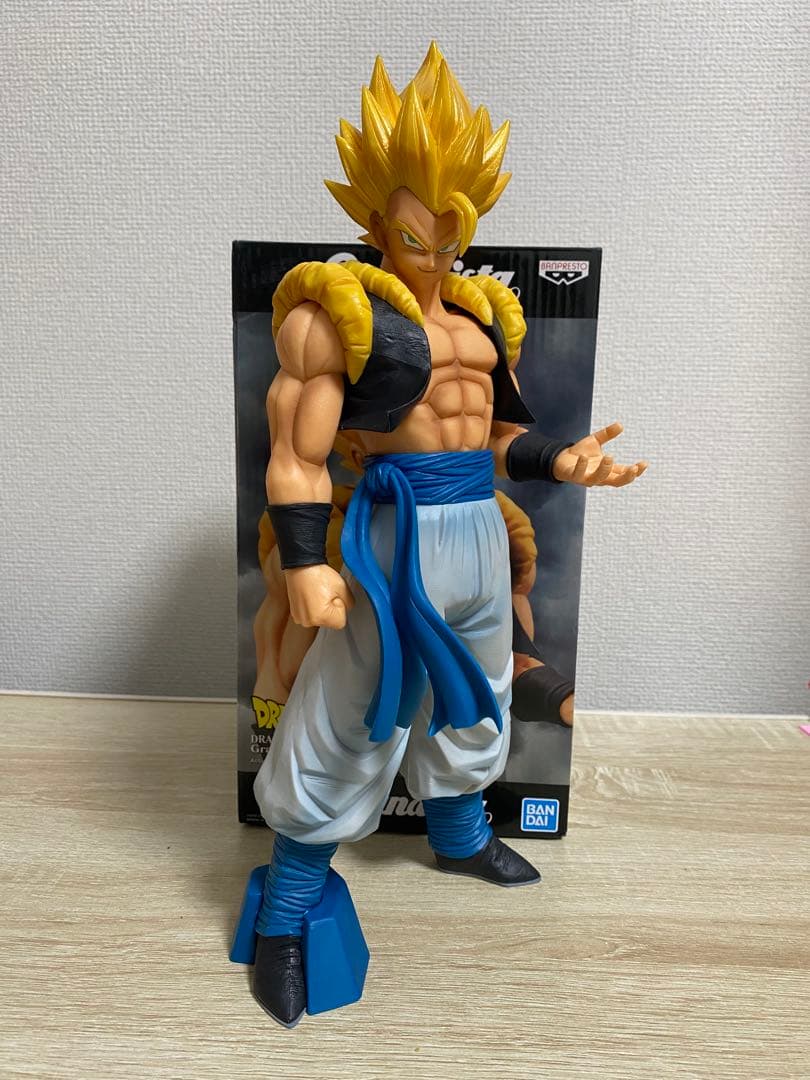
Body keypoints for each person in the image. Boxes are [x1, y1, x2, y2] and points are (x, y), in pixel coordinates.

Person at [250, 43, 646, 1027]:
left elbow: (498, 437)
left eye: (453, 231)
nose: (436, 252)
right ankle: (289, 903)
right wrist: (302, 562)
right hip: (395, 537)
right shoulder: (334, 314)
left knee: (481, 691)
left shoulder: (481, 318)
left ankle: (460, 832)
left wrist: (562, 461)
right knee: (352, 707)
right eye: (416, 233)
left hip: (475, 529)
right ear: (376, 222)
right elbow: (297, 452)